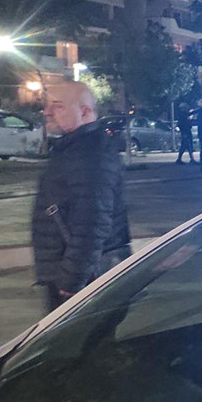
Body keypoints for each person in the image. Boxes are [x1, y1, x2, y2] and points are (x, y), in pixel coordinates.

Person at [32, 82, 131, 312]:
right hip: (79, 275)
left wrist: (72, 279)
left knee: (81, 336)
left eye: (58, 106)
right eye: (48, 106)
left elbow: (93, 221)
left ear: (84, 112)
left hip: (84, 281)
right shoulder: (76, 149)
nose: (47, 112)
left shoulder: (90, 155)